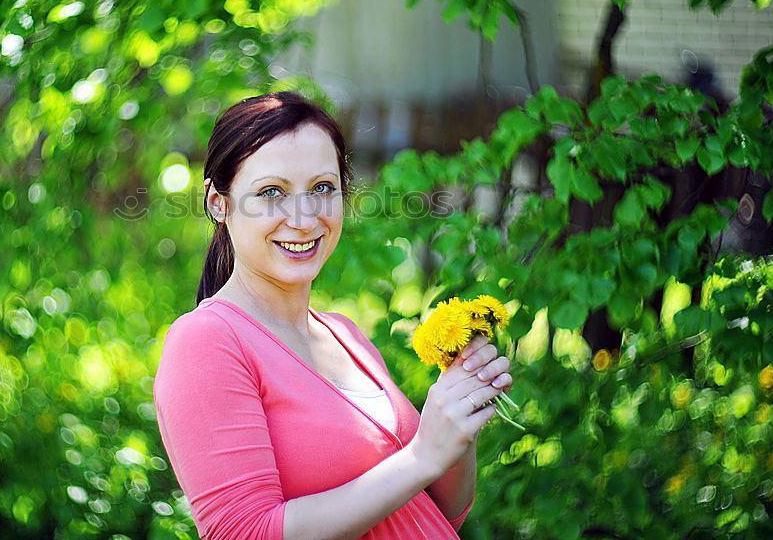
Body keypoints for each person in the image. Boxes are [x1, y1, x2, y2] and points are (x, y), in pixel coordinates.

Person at [153, 91, 513, 540]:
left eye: (322, 188)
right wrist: (422, 455)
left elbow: (437, 512)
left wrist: (456, 421)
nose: (304, 219)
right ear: (218, 202)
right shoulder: (207, 341)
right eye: (271, 192)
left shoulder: (344, 336)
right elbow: (245, 533)